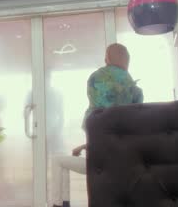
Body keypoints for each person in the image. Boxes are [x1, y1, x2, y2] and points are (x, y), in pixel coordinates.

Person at [50, 43, 143, 207]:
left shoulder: (95, 80)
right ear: (127, 62)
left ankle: (59, 205)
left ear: (107, 58)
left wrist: (88, 144)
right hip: (124, 162)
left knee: (57, 161)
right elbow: (116, 134)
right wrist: (85, 146)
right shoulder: (135, 92)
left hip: (100, 164)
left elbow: (102, 128)